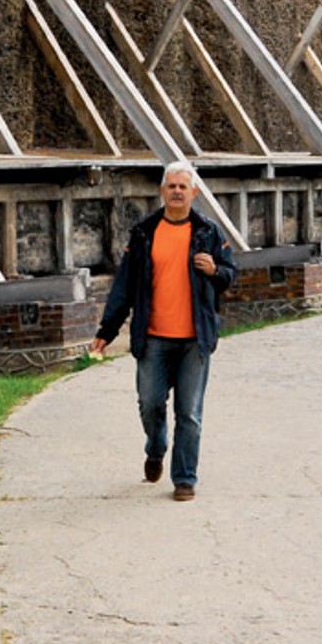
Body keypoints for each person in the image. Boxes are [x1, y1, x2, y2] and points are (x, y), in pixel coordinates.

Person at [91, 161, 237, 502]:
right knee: (150, 404)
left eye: (182, 187)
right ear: (162, 191)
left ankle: (184, 479)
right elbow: (124, 287)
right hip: (153, 338)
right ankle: (156, 449)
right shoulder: (144, 233)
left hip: (194, 340)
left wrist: (216, 270)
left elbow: (231, 274)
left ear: (193, 193)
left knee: (189, 413)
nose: (176, 192)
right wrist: (107, 330)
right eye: (171, 186)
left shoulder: (209, 233)